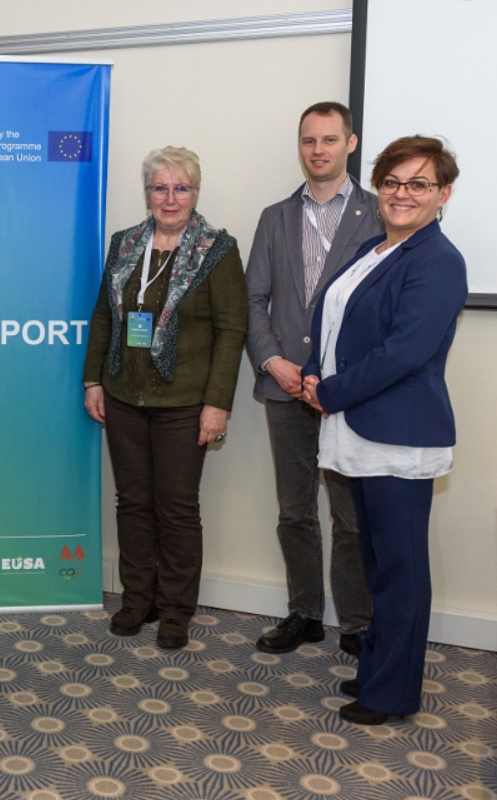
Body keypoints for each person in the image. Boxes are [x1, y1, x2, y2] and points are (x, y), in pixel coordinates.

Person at [301, 136, 466, 725]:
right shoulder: (375, 248)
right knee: (377, 564)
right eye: (392, 182)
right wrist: (315, 370)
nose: (402, 194)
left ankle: (392, 693)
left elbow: (405, 351)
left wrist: (329, 392)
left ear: (443, 194)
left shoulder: (438, 260)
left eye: (419, 184)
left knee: (400, 571)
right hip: (360, 428)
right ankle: (377, 670)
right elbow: (332, 321)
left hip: (399, 435)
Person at [84, 146, 248, 650]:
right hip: (124, 397)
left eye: (180, 188)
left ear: (194, 193)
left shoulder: (217, 250)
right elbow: (105, 315)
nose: (170, 198)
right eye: (160, 188)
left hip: (185, 404)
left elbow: (231, 330)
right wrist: (93, 381)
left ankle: (176, 609)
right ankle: (139, 599)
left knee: (176, 509)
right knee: (132, 503)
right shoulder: (124, 244)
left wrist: (217, 403)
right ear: (147, 193)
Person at [246, 102, 381, 657]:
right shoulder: (274, 217)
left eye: (329, 139)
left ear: (350, 143)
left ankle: (357, 623)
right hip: (284, 388)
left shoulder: (380, 215)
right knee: (294, 511)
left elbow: (383, 309)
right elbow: (253, 299)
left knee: (351, 517)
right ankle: (304, 613)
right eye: (308, 140)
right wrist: (273, 361)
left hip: (347, 394)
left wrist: (339, 376)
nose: (318, 150)